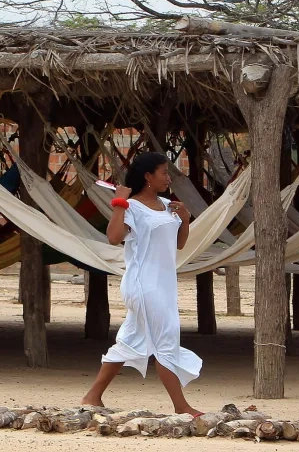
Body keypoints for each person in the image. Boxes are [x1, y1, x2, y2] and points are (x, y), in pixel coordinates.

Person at [81, 151, 203, 416]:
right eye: (163, 172)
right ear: (148, 176)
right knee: (165, 340)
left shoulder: (165, 204)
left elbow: (178, 245)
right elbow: (114, 237)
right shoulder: (132, 207)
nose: (168, 178)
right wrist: (119, 203)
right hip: (143, 284)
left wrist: (184, 220)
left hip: (164, 285)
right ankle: (182, 407)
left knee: (131, 340)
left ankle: (92, 397)